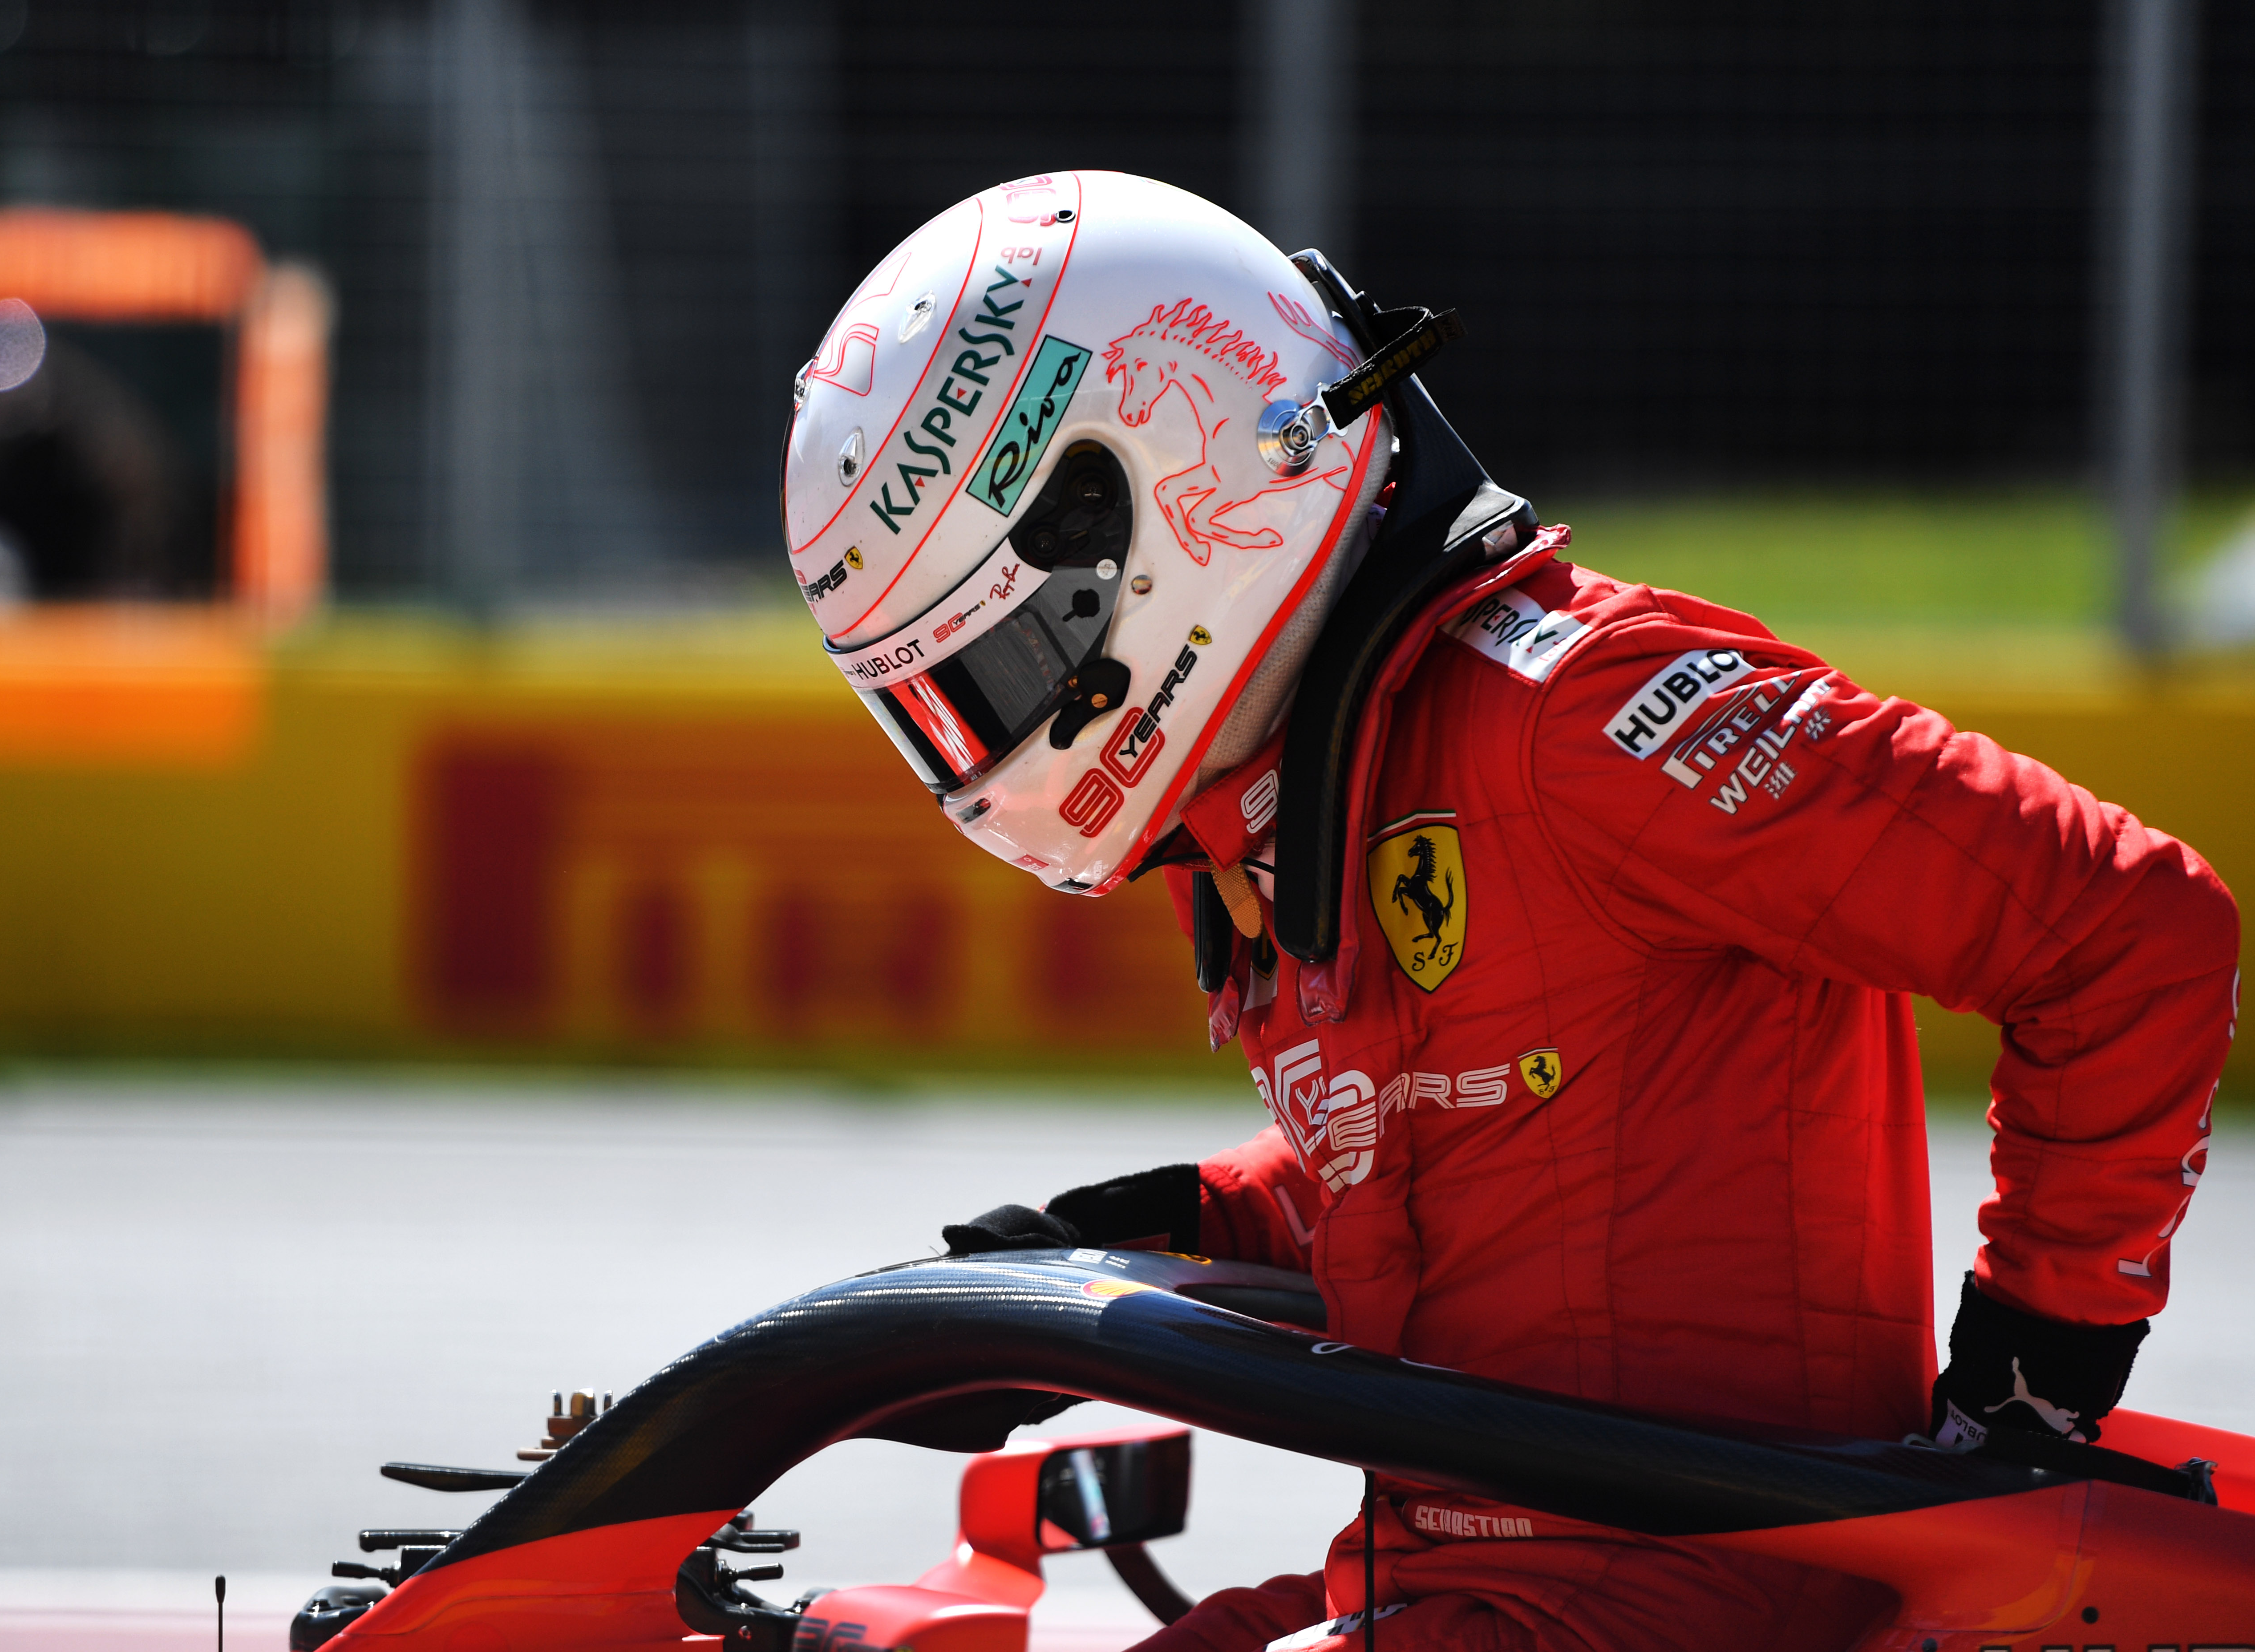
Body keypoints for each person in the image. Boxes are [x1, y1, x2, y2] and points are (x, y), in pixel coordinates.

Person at [779, 171, 2239, 1652]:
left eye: (995, 677)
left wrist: (2028, 1389)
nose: (979, 746)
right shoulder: (1286, 808)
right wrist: (1158, 1233)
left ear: (1143, 511)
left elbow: (2131, 932)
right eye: (934, 712)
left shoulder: (1584, 718)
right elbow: (1482, 1152)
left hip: (1694, 1605)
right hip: (1457, 1585)